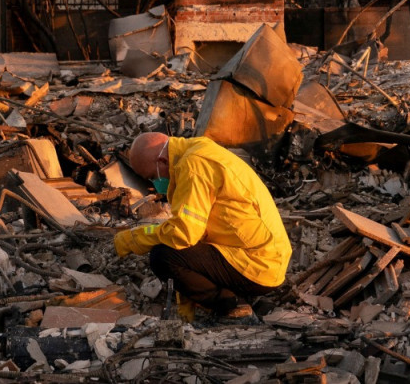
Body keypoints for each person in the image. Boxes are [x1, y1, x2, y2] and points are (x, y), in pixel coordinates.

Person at [114, 132, 291, 320]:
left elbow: (183, 234)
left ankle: (233, 305)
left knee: (163, 257)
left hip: (258, 265)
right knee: (172, 249)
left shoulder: (193, 166)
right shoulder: (199, 151)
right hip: (265, 256)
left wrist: (135, 238)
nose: (154, 183)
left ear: (162, 161)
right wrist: (186, 298)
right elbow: (194, 232)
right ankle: (237, 296)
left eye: (152, 177)